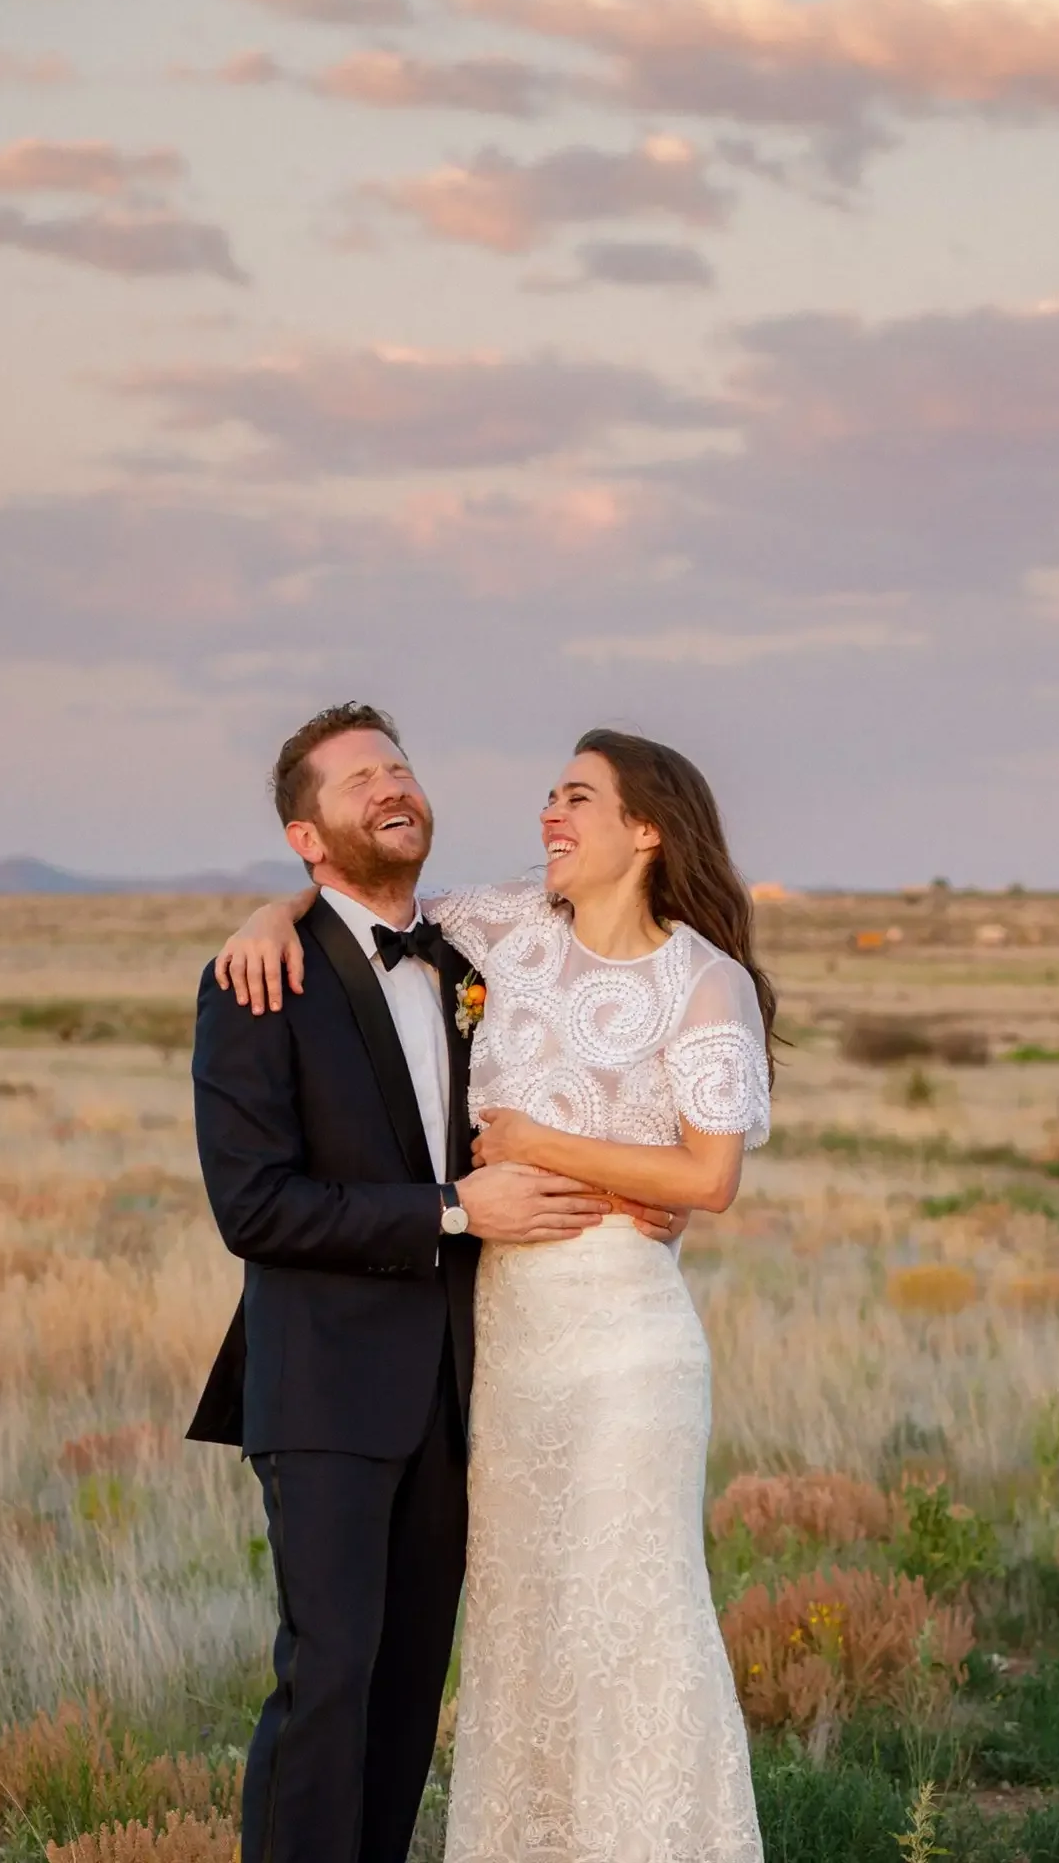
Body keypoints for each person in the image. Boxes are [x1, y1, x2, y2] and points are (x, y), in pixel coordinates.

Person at [218, 724, 775, 1862]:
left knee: (625, 1627)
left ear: (647, 828)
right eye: (549, 794)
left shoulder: (691, 976)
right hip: (481, 1355)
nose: (548, 816)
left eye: (577, 797)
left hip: (606, 1345)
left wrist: (540, 1142)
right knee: (505, 1641)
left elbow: (707, 1176)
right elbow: (355, 914)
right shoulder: (504, 932)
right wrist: (270, 911)